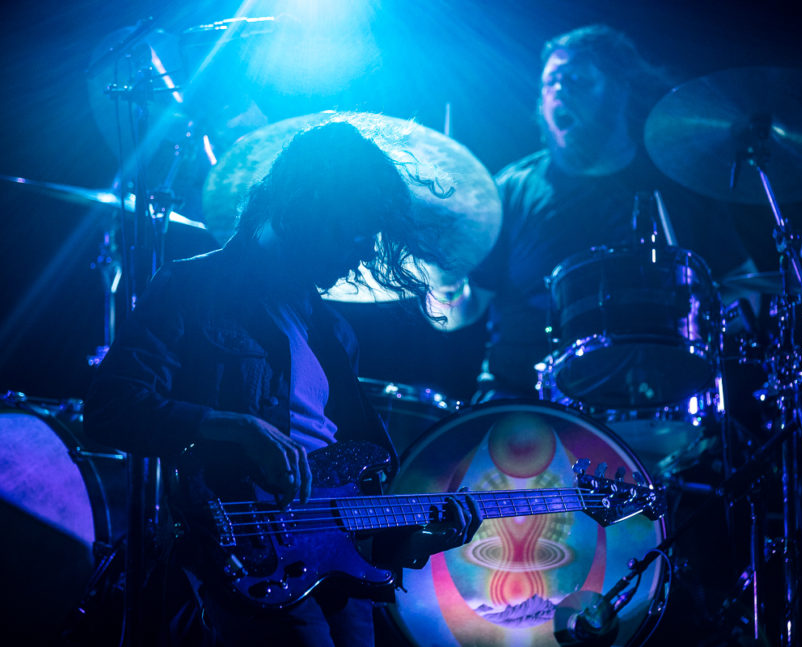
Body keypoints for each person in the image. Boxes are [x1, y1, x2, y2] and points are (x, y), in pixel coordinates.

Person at [83, 121, 481, 647]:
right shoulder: (191, 286)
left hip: (337, 565)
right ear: (308, 203)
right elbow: (111, 406)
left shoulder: (333, 331)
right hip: (247, 551)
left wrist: (423, 532)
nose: (360, 254)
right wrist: (235, 427)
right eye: (352, 231)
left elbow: (353, 471)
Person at [428, 24, 758, 401]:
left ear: (619, 90)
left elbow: (745, 289)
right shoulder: (509, 191)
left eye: (577, 79)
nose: (560, 90)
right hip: (522, 405)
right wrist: (443, 284)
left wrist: (702, 323)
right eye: (550, 81)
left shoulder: (678, 187)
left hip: (656, 401)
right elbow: (456, 316)